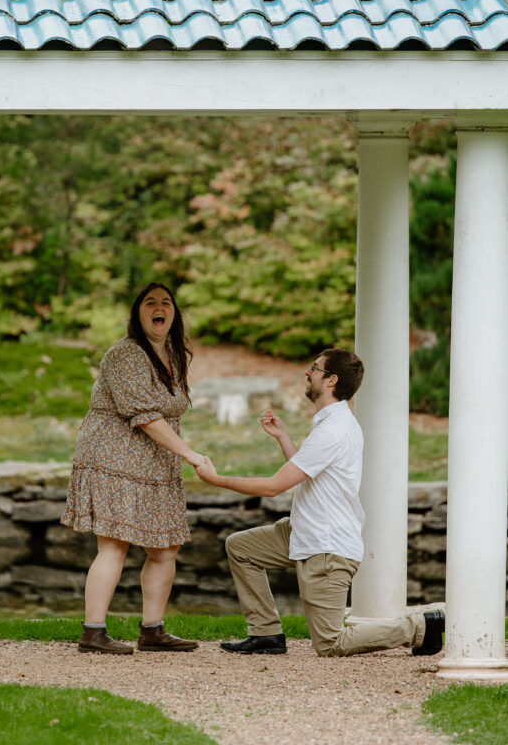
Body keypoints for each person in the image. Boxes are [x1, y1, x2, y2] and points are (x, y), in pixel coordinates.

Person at [194, 348, 444, 658]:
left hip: (326, 549)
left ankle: (419, 625)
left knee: (330, 643)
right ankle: (265, 633)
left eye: (314, 368)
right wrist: (284, 437)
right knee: (241, 547)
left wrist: (216, 479)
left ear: (331, 380)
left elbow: (274, 487)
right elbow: (306, 473)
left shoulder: (334, 430)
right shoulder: (330, 423)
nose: (307, 373)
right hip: (302, 533)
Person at [62, 282, 206, 655]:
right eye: (150, 303)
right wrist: (190, 454)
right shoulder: (124, 355)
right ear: (137, 312)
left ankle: (152, 631)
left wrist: (178, 455)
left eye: (166, 303)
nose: (159, 308)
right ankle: (93, 632)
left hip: (155, 461)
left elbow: (167, 412)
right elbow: (144, 417)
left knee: (165, 548)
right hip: (114, 458)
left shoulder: (174, 353)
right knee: (114, 545)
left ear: (173, 313)